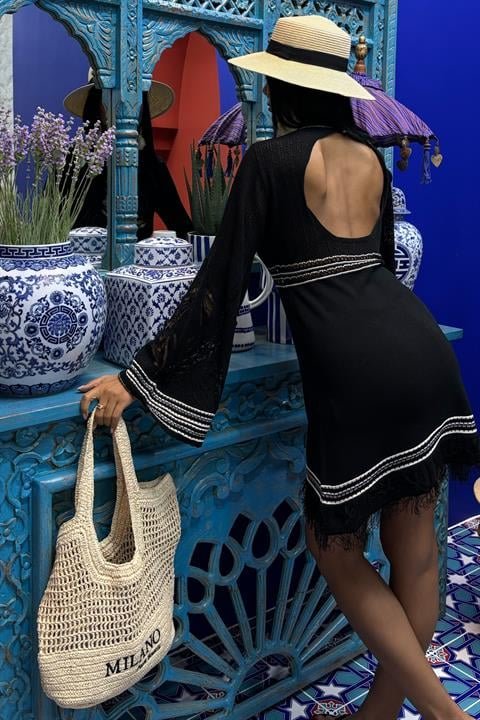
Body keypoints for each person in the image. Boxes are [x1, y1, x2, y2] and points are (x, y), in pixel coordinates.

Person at [80, 15, 480, 719]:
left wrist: (136, 378)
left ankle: (445, 714)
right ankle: (381, 714)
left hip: (357, 373)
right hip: (421, 350)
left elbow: (219, 283)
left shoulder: (268, 163)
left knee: (332, 549)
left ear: (283, 90)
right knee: (414, 551)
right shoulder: (370, 159)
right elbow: (376, 268)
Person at [63, 71, 193, 239]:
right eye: (111, 98)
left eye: (131, 98)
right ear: (96, 105)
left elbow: (182, 227)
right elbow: (49, 228)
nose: (122, 106)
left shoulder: (152, 166)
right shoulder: (72, 163)